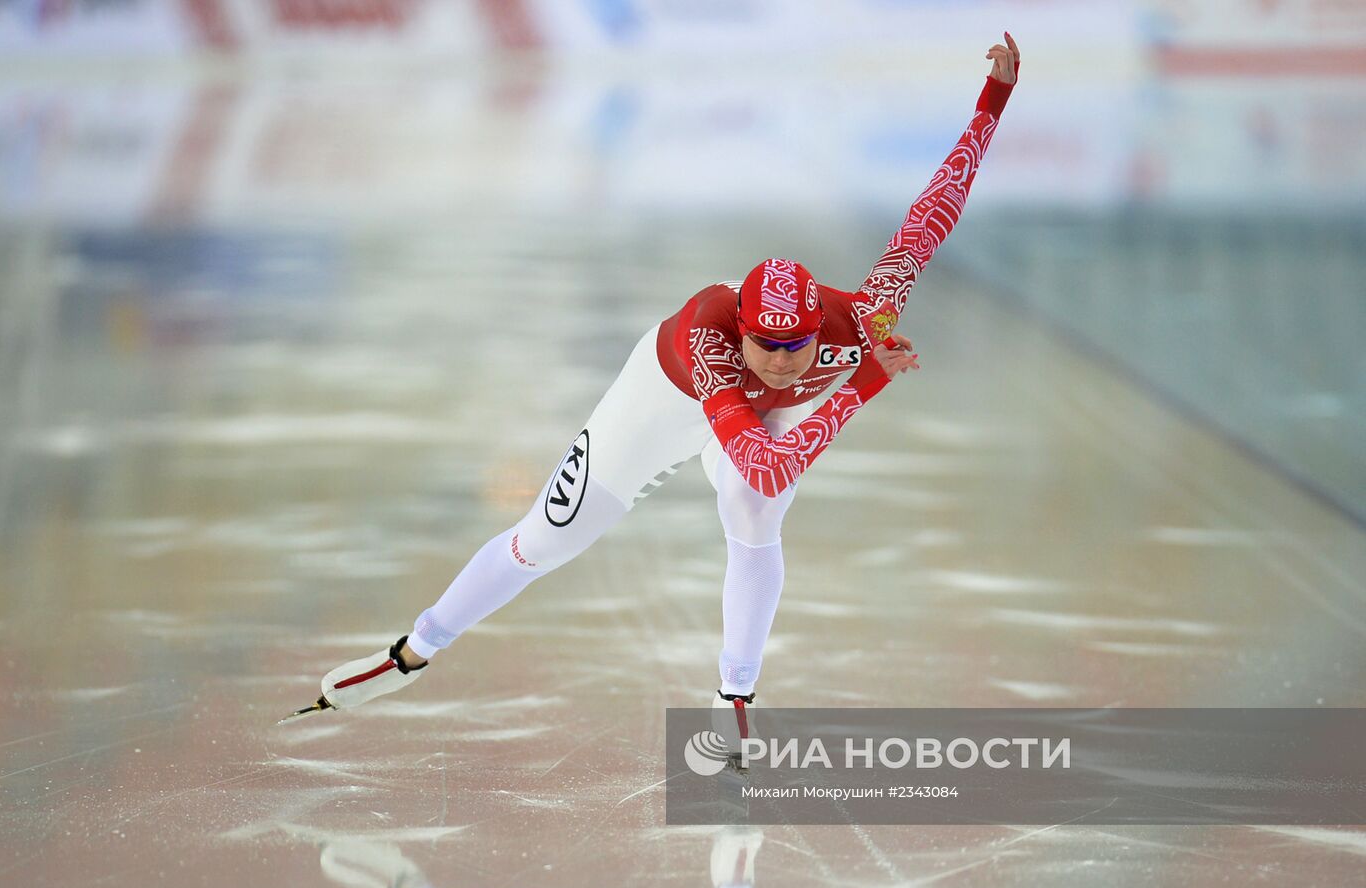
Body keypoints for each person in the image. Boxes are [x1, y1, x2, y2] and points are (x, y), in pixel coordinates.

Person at [284, 34, 1021, 730]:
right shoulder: (711, 338)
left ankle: (735, 696)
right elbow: (769, 455)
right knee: (546, 539)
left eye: (800, 346)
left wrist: (992, 101)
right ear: (740, 328)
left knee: (756, 510)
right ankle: (414, 650)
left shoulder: (864, 319)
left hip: (759, 423)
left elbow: (930, 218)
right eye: (767, 345)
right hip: (665, 398)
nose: (785, 361)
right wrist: (863, 389)